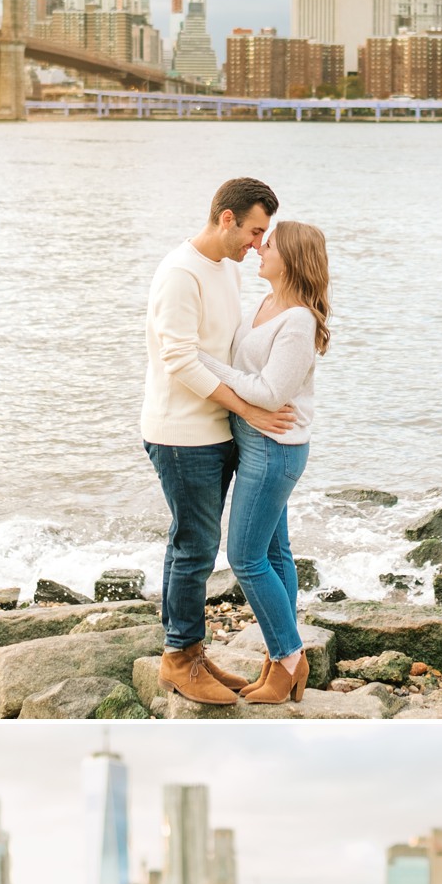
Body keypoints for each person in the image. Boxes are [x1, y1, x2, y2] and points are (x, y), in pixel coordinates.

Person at [141, 179, 298, 709]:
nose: (258, 244)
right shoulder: (181, 274)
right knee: (194, 548)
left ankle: (191, 653)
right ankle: (179, 660)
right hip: (182, 433)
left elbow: (229, 351)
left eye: (265, 236)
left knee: (193, 543)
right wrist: (251, 408)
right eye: (255, 231)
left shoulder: (225, 270)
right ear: (227, 219)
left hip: (218, 428)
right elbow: (180, 359)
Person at [197, 222, 328, 706]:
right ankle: (280, 661)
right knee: (275, 556)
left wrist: (200, 363)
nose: (257, 249)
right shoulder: (264, 303)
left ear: (290, 257)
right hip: (255, 442)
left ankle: (290, 656)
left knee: (245, 558)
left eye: (266, 245)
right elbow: (253, 379)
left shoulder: (298, 320)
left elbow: (272, 392)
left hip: (276, 448)